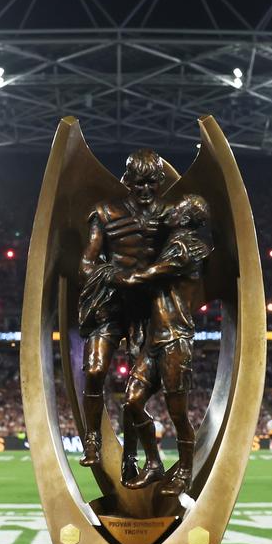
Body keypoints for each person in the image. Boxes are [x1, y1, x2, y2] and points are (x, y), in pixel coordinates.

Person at [76, 148, 169, 482]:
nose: (145, 190)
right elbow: (87, 262)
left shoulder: (168, 216)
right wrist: (113, 275)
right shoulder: (105, 213)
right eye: (139, 183)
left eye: (151, 184)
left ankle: (132, 458)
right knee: (96, 369)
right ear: (127, 181)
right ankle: (92, 438)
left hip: (148, 311)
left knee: (135, 391)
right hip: (111, 304)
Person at [114, 194, 211, 496]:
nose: (173, 209)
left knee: (177, 412)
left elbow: (154, 273)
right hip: (154, 339)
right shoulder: (171, 242)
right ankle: (154, 463)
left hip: (175, 338)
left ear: (185, 217)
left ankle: (185, 471)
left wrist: (121, 275)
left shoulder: (190, 246)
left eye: (179, 207)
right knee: (131, 401)